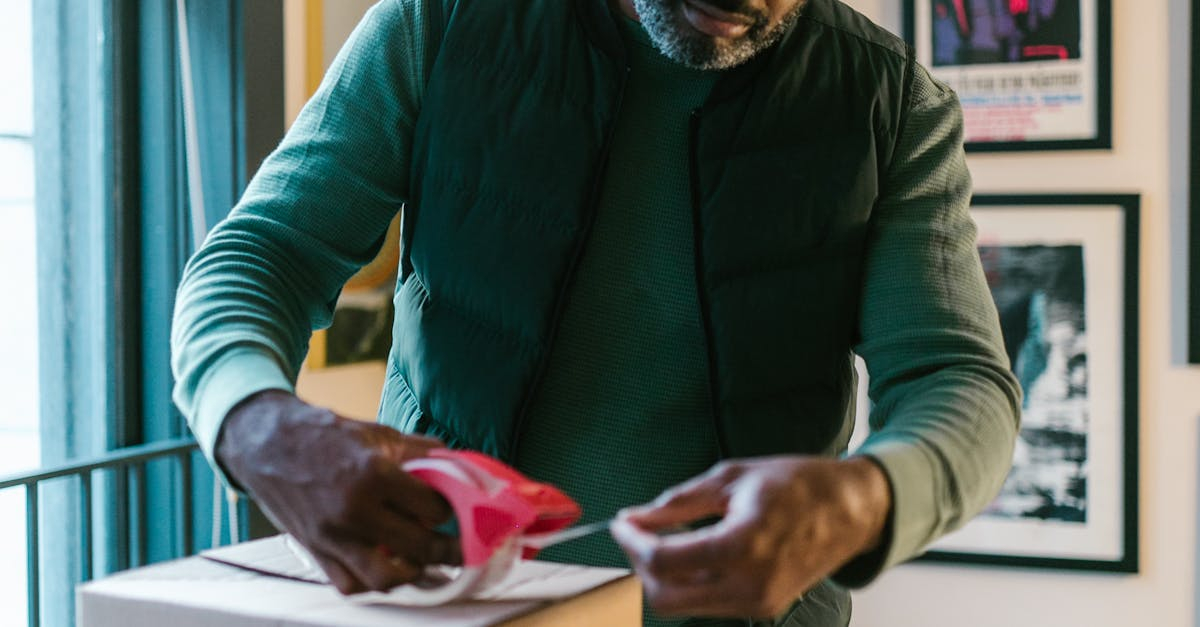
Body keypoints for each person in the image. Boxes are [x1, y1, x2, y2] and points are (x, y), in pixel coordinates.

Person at [171, 0, 1022, 625]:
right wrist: (253, 421)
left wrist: (865, 498)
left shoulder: (890, 105)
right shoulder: (441, 24)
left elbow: (961, 380)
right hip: (448, 609)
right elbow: (265, 253)